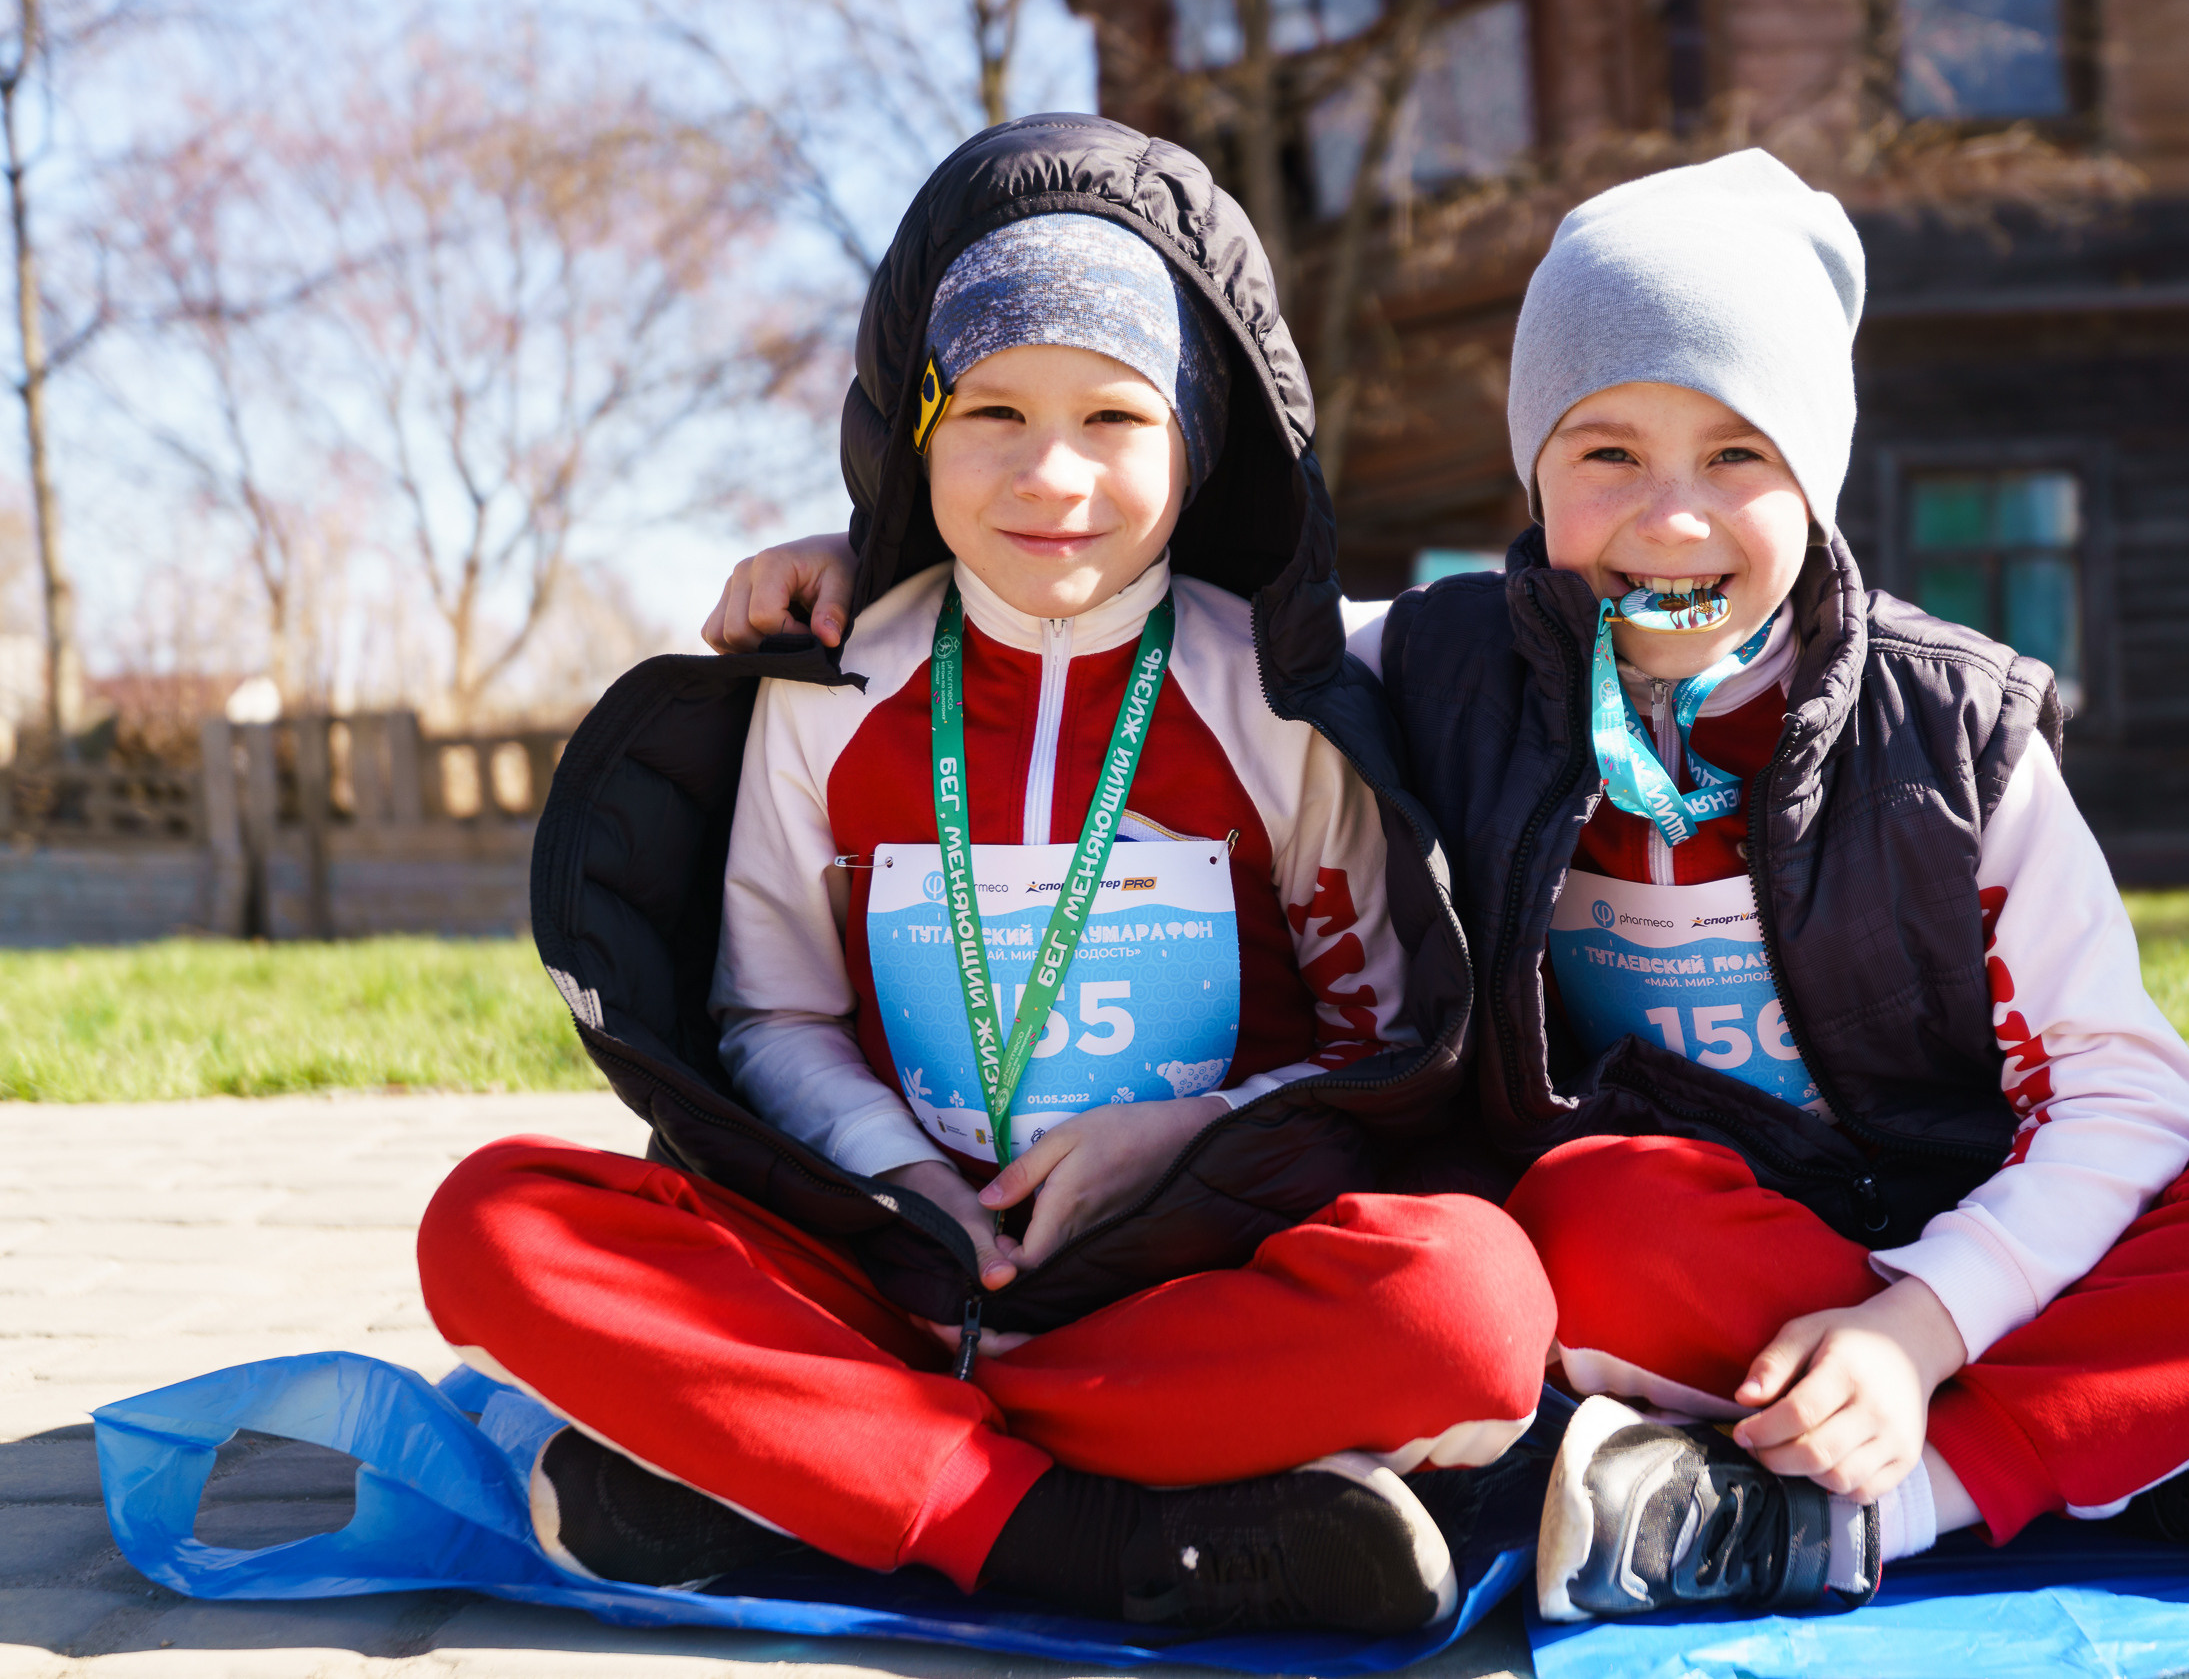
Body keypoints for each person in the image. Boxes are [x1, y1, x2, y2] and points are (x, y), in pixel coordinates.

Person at [699, 149, 2189, 1625]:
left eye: (1740, 456)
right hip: (1699, 1270)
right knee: (1584, 1214)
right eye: (1605, 453)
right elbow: (1149, 587)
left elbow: (2129, 1091)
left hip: (1970, 1253)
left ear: (1822, 480)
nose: (1673, 518)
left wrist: (1917, 1332)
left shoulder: (1958, 734)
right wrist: (875, 546)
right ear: (1533, 470)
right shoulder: (1446, 667)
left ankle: (1928, 1491)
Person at [419, 115, 1553, 1637]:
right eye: (992, 413)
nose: (1051, 475)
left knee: (1468, 1311)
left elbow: (1381, 1049)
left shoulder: (1275, 697)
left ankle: (812, 1476)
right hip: (888, 1270)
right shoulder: (829, 686)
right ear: (917, 428)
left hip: (1192, 1276)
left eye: (1115, 420)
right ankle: (1082, 1532)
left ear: (1199, 438)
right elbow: (771, 1016)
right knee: (497, 1224)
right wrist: (903, 1183)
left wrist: (1187, 1137)